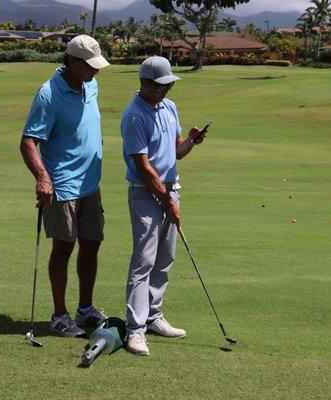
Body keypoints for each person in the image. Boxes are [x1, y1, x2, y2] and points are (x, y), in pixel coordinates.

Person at [20, 35, 110, 337]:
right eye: (90, 66)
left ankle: (85, 309)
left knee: (92, 243)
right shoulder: (48, 94)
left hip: (90, 183)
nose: (95, 71)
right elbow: (28, 141)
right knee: (64, 247)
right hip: (62, 185)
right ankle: (60, 315)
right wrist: (42, 177)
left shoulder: (91, 84)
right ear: (71, 61)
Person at [120, 56, 208, 355]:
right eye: (160, 86)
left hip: (171, 189)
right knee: (143, 261)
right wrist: (167, 200)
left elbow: (176, 150)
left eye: (169, 85)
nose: (166, 91)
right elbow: (144, 168)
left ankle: (154, 316)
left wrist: (192, 142)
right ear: (144, 82)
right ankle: (135, 329)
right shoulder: (134, 116)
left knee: (165, 259)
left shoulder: (169, 107)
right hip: (145, 193)